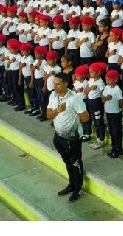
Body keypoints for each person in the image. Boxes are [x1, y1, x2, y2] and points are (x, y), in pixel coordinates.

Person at [47, 72, 88, 201]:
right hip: (58, 136)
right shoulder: (53, 95)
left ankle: (78, 188)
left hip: (72, 138)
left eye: (58, 84)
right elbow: (48, 115)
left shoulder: (74, 99)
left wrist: (80, 115)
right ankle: (71, 184)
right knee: (67, 161)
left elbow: (85, 117)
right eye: (54, 83)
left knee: (76, 162)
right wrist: (58, 110)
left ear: (66, 84)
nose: (55, 86)